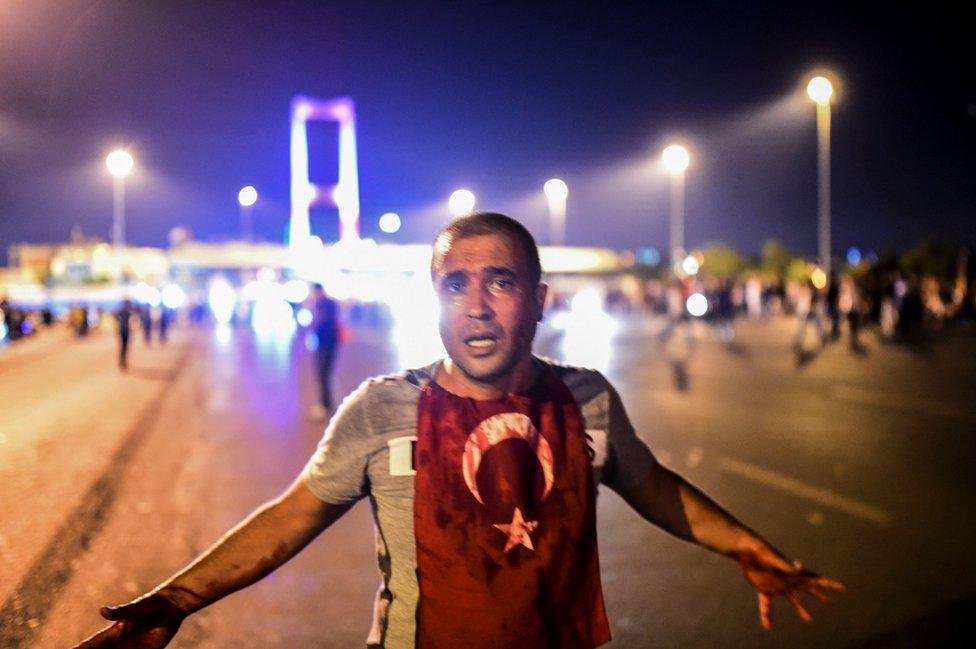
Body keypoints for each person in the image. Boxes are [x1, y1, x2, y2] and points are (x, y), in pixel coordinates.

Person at [74, 213, 842, 649]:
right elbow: (287, 520)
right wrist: (174, 600)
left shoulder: (589, 401)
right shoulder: (382, 409)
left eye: (500, 282)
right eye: (456, 285)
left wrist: (744, 545)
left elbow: (653, 487)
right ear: (436, 300)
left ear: (538, 300)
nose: (476, 305)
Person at [308, 283, 341, 421]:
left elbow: (323, 324)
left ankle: (325, 406)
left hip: (327, 344)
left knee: (323, 374)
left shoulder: (326, 304)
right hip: (325, 343)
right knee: (322, 375)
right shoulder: (322, 303)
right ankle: (326, 404)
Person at [116, 300, 135, 370]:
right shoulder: (128, 312)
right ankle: (123, 361)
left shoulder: (120, 311)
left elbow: (116, 318)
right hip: (126, 330)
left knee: (122, 346)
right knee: (125, 346)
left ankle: (121, 360)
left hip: (121, 329)